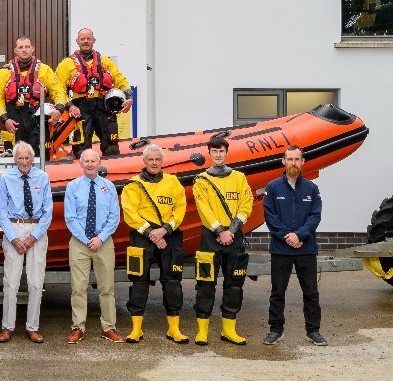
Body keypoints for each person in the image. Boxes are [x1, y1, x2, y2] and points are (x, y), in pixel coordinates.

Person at [120, 144, 188, 344]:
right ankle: (136, 329)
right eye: (150, 159)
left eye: (157, 159)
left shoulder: (173, 182)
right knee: (139, 281)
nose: (154, 162)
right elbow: (130, 213)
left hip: (169, 234)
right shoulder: (133, 185)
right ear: (144, 161)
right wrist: (151, 233)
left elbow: (180, 208)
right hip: (143, 235)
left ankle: (174, 329)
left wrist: (164, 230)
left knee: (173, 282)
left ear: (162, 161)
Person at [192, 135, 253, 346]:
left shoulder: (239, 178)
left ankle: (229, 330)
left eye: (221, 151)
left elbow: (246, 204)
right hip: (210, 237)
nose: (218, 155)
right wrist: (220, 230)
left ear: (226, 153)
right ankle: (202, 331)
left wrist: (232, 230)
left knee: (234, 285)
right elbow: (204, 209)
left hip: (234, 237)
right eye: (214, 151)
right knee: (205, 285)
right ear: (209, 153)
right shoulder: (201, 180)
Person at [262, 145, 326, 347]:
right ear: (283, 161)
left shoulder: (311, 189)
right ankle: (275, 329)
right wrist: (287, 236)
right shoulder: (272, 188)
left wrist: (299, 235)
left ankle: (313, 330)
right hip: (281, 249)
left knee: (311, 292)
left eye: (297, 159)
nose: (293, 163)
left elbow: (315, 216)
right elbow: (270, 217)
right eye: (290, 159)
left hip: (306, 249)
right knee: (277, 292)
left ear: (303, 162)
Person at [63, 149, 122, 344]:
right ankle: (78, 327)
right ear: (80, 164)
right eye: (86, 161)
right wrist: (86, 238)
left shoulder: (109, 187)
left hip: (103, 242)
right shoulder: (73, 187)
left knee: (107, 288)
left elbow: (114, 216)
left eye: (93, 161)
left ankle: (109, 327)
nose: (89, 164)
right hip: (79, 242)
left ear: (99, 163)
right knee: (78, 288)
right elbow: (70, 217)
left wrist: (100, 237)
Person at [0, 142, 51, 343]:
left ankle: (32, 327)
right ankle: (8, 327)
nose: (24, 162)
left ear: (32, 158)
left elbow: (48, 211)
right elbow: (1, 211)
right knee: (11, 281)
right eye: (21, 158)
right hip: (14, 227)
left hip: (37, 229)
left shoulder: (42, 178)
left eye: (28, 158)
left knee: (36, 282)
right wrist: (13, 238)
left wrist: (34, 237)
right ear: (15, 159)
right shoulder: (6, 179)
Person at [56, 28, 133, 157]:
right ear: (77, 41)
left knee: (112, 148)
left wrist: (129, 97)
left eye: (88, 39)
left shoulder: (105, 62)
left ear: (93, 40)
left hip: (104, 106)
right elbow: (58, 90)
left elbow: (120, 80)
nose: (85, 41)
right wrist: (70, 106)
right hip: (81, 109)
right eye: (82, 39)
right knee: (82, 150)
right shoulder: (66, 64)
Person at [0, 37, 67, 154]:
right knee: (15, 153)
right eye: (21, 47)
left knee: (41, 152)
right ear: (15, 50)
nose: (24, 50)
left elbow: (58, 90)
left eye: (27, 46)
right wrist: (5, 119)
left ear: (32, 48)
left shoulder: (44, 70)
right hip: (13, 117)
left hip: (37, 115)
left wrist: (59, 110)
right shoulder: (4, 71)